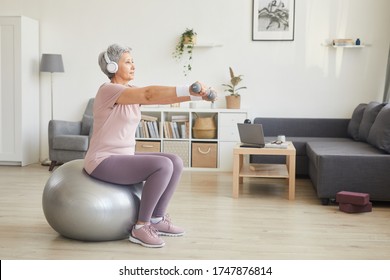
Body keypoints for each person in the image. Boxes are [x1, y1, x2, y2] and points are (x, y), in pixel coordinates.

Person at [83, 43, 213, 248]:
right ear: (112, 68)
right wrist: (188, 88)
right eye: (128, 62)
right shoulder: (108, 90)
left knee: (175, 161)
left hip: (123, 158)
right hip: (103, 160)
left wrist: (194, 95)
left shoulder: (131, 92)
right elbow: (149, 94)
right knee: (163, 165)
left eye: (133, 61)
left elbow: (162, 98)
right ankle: (140, 227)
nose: (133, 66)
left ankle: (156, 219)